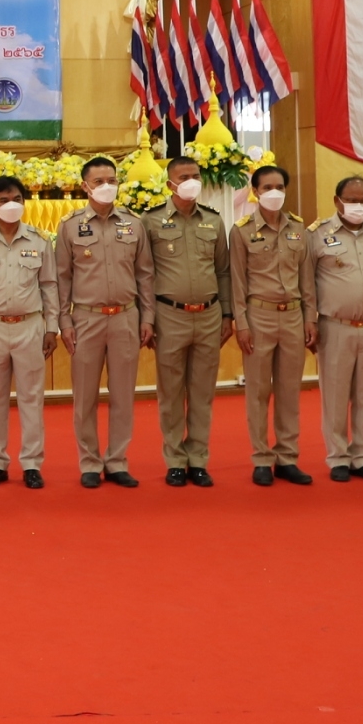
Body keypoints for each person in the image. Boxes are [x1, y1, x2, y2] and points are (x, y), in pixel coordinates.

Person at [56, 156, 152, 489]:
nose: (106, 186)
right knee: (85, 397)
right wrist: (64, 321)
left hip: (126, 316)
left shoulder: (133, 224)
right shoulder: (70, 226)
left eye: (111, 180)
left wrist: (148, 316)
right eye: (99, 181)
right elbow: (62, 278)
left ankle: (117, 461)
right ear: (85, 186)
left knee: (123, 395)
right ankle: (89, 462)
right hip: (86, 318)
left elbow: (145, 275)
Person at [143, 156, 232, 488]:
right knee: (170, 393)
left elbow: (223, 271)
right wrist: (147, 318)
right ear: (170, 183)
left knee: (202, 392)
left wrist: (227, 314)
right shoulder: (150, 221)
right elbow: (144, 274)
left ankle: (198, 459)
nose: (191, 181)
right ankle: (175, 460)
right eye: (184, 177)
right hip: (169, 315)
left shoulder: (213, 221)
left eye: (195, 175)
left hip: (209, 315)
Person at [0, 175, 60, 489]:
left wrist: (52, 328)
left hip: (30, 326)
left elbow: (49, 286)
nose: (12, 205)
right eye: (4, 200)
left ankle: (32, 464)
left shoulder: (39, 240)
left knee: (31, 398)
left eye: (17, 199)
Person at [303, 177, 363, 482]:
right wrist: (309, 321)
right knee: (336, 396)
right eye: (352, 200)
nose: (359, 205)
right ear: (337, 201)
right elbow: (306, 284)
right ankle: (338, 457)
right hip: (335, 327)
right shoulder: (317, 235)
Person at [231, 164, 311, 486]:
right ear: (256, 191)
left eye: (279, 187)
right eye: (267, 188)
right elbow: (237, 281)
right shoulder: (242, 231)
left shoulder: (299, 229)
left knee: (290, 391)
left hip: (293, 316)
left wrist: (311, 318)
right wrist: (241, 323)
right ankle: (262, 458)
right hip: (259, 316)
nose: (274, 192)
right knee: (258, 391)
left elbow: (307, 280)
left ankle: (287, 458)